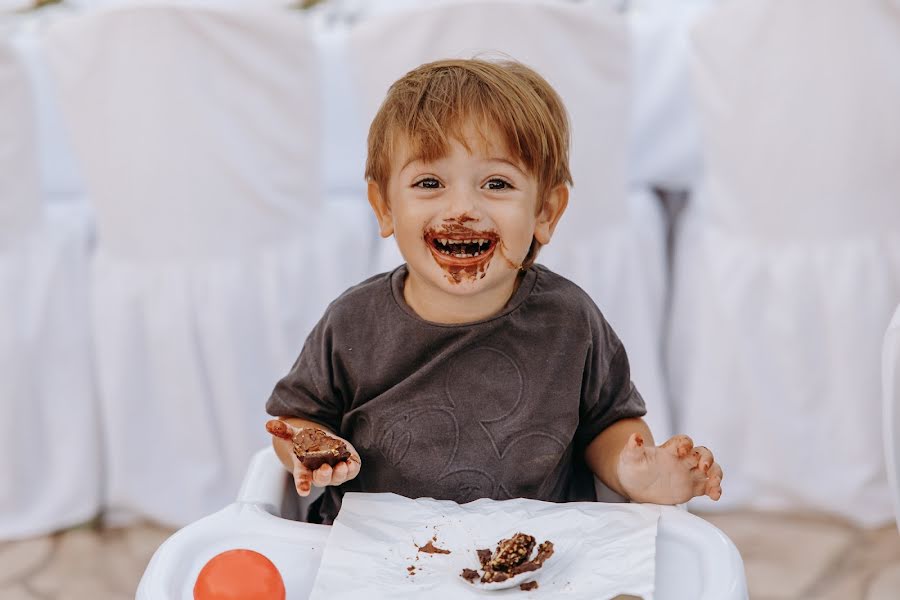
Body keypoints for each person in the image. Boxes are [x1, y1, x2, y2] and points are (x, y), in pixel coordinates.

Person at [266, 58, 723, 524]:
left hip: (538, 561)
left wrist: (633, 470)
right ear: (384, 206)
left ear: (545, 211)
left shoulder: (569, 320)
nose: (462, 208)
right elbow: (293, 421)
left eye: (497, 183)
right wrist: (309, 449)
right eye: (430, 183)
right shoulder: (353, 322)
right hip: (373, 559)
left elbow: (607, 423)